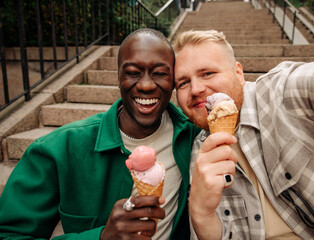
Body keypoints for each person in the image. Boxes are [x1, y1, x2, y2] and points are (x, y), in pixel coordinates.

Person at [0, 28, 200, 239]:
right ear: (118, 77)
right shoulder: (58, 150)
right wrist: (101, 237)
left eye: (160, 73)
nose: (146, 85)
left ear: (174, 81)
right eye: (133, 72)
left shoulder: (193, 136)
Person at [173, 30, 314, 240]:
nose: (196, 89)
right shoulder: (198, 156)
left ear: (239, 74)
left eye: (208, 73)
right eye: (183, 83)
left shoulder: (284, 93)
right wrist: (201, 215)